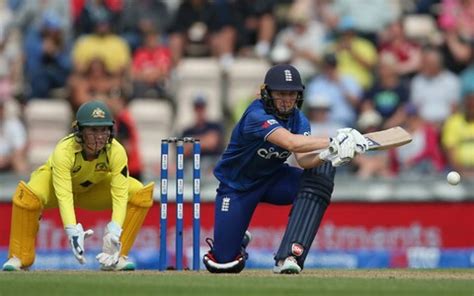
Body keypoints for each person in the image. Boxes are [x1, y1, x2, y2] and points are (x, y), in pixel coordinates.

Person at [202, 64, 369, 274]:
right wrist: (334, 141)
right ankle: (237, 238)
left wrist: (330, 154)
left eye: (292, 94)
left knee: (323, 170)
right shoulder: (256, 114)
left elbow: (304, 160)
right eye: (281, 94)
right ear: (267, 94)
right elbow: (291, 143)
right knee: (225, 263)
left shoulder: (299, 119)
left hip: (273, 180)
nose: (287, 100)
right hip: (237, 187)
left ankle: (290, 256)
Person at [2, 100, 154, 271]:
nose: (99, 137)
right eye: (93, 130)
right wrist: (72, 231)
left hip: (92, 190)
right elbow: (64, 195)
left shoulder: (116, 151)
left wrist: (114, 230)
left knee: (139, 193)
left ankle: (115, 257)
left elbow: (120, 194)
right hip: (54, 187)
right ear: (80, 131)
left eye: (104, 130)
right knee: (27, 196)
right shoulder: (64, 151)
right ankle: (19, 258)